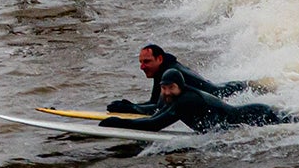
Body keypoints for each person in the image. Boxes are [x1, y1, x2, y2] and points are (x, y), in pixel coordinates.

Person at [99, 68, 293, 133]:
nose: (166, 93)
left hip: (257, 116)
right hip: (250, 116)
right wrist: (132, 108)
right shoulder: (170, 94)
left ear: (180, 86)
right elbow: (157, 113)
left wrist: (120, 123)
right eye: (163, 88)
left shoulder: (187, 99)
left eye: (170, 88)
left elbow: (156, 123)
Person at [107, 44, 250, 115]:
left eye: (147, 62)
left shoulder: (170, 73)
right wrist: (132, 106)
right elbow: (155, 103)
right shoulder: (163, 71)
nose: (142, 67)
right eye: (140, 62)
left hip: (229, 92)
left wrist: (132, 108)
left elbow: (160, 109)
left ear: (160, 59)